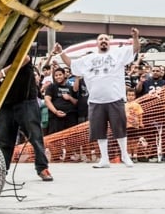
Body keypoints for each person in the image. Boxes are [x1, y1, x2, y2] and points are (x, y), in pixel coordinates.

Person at [55, 27, 141, 168]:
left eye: (106, 39)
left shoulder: (117, 54)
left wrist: (136, 37)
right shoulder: (89, 58)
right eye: (101, 39)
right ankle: (104, 159)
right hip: (95, 101)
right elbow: (72, 64)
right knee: (98, 130)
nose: (103, 41)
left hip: (115, 98)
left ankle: (125, 156)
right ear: (97, 43)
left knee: (119, 128)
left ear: (109, 43)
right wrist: (61, 52)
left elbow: (135, 49)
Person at [0, 54, 53, 182]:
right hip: (5, 101)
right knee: (4, 140)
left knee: (35, 137)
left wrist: (2, 72)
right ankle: (1, 171)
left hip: (25, 99)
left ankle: (42, 168)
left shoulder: (17, 39)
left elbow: (25, 58)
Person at [44, 67, 78, 134]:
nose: (58, 77)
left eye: (60, 75)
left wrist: (70, 98)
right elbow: (47, 100)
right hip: (56, 118)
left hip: (70, 117)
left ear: (64, 75)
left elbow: (76, 102)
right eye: (56, 75)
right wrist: (56, 111)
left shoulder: (70, 87)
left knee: (71, 138)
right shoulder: (52, 87)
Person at [125, 87, 144, 160]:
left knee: (135, 140)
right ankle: (129, 154)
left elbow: (140, 114)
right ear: (126, 96)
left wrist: (141, 122)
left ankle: (135, 154)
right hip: (127, 125)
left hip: (135, 125)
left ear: (135, 96)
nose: (131, 97)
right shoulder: (125, 105)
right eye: (129, 95)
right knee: (128, 140)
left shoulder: (137, 105)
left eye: (132, 95)